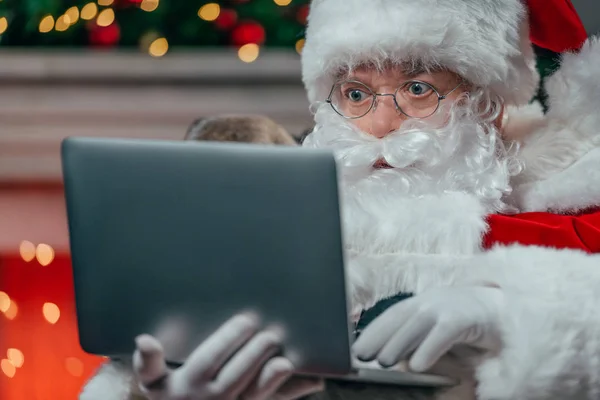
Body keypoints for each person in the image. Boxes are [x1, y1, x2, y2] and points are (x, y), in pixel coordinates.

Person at [80, 0, 600, 399]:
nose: (379, 125)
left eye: (418, 89)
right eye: (355, 93)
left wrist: (516, 314)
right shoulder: (263, 225)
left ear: (490, 109)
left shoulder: (562, 215)